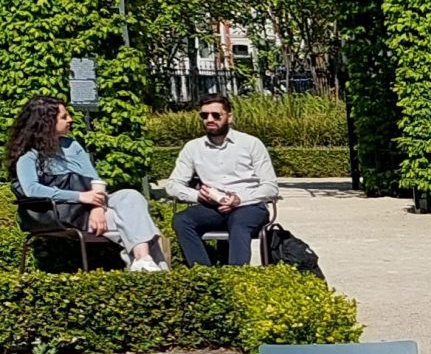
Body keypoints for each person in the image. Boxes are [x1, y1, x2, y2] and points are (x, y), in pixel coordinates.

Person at [8, 97, 168, 269]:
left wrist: (97, 208)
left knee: (131, 196)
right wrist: (81, 197)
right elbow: (32, 189)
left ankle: (142, 262)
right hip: (64, 212)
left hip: (91, 205)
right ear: (46, 122)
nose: (70, 120)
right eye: (64, 117)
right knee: (139, 226)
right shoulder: (29, 155)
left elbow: (94, 180)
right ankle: (151, 270)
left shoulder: (72, 145)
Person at [164, 97, 280, 265]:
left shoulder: (251, 144)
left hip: (249, 206)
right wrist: (198, 196)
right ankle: (203, 275)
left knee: (239, 222)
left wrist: (240, 199)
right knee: (182, 220)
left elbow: (271, 187)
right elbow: (172, 185)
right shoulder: (192, 148)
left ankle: (235, 277)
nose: (209, 119)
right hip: (212, 207)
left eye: (216, 115)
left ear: (229, 117)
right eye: (204, 115)